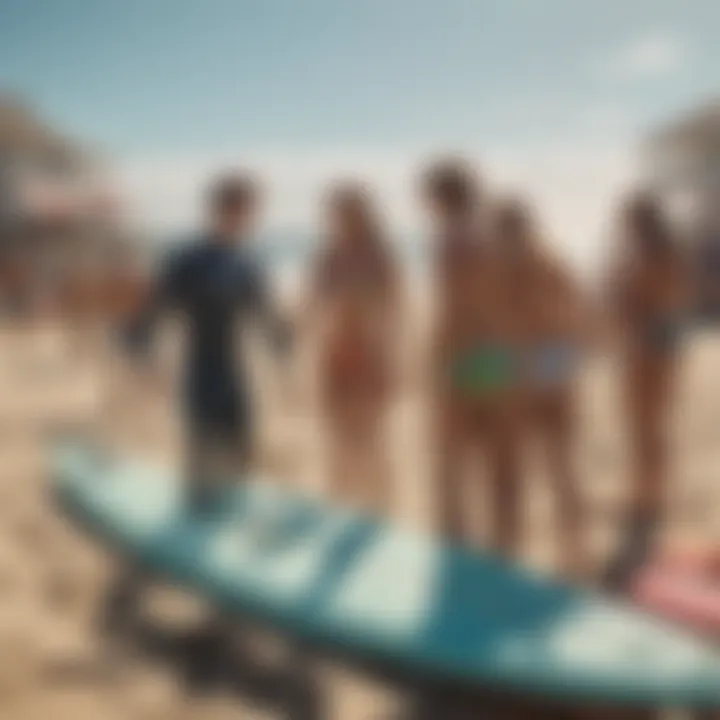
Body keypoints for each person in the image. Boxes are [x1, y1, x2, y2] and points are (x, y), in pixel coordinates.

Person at [103, 171, 292, 636]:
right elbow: (153, 309)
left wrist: (284, 342)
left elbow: (264, 311)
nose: (247, 218)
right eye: (241, 208)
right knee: (201, 467)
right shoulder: (188, 258)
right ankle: (193, 562)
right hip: (201, 374)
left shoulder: (247, 261)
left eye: (251, 210)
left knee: (241, 459)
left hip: (234, 377)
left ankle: (225, 565)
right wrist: (138, 348)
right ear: (219, 209)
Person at [420, 159, 523, 554]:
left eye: (429, 196)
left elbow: (456, 305)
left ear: (442, 197)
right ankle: (504, 541)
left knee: (452, 452)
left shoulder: (454, 239)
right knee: (496, 454)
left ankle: (456, 542)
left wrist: (440, 357)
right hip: (495, 349)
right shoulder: (492, 235)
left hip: (466, 351)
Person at [494, 197, 589, 578]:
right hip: (553, 361)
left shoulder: (504, 268)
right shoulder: (552, 260)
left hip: (524, 366)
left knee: (516, 469)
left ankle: (512, 554)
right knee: (560, 463)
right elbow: (576, 316)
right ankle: (575, 549)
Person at [603, 191, 689, 592]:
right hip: (660, 354)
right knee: (652, 435)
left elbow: (626, 305)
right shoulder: (667, 257)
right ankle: (647, 504)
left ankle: (645, 507)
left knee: (646, 435)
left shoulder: (647, 261)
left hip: (646, 355)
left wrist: (618, 277)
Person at [304, 182, 402, 515]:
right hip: (336, 354)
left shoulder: (378, 256)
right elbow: (312, 306)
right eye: (335, 215)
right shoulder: (328, 256)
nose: (338, 221)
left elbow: (395, 311)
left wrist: (392, 358)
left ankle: (377, 508)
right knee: (340, 436)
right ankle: (345, 506)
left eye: (344, 214)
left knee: (369, 436)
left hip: (370, 353)